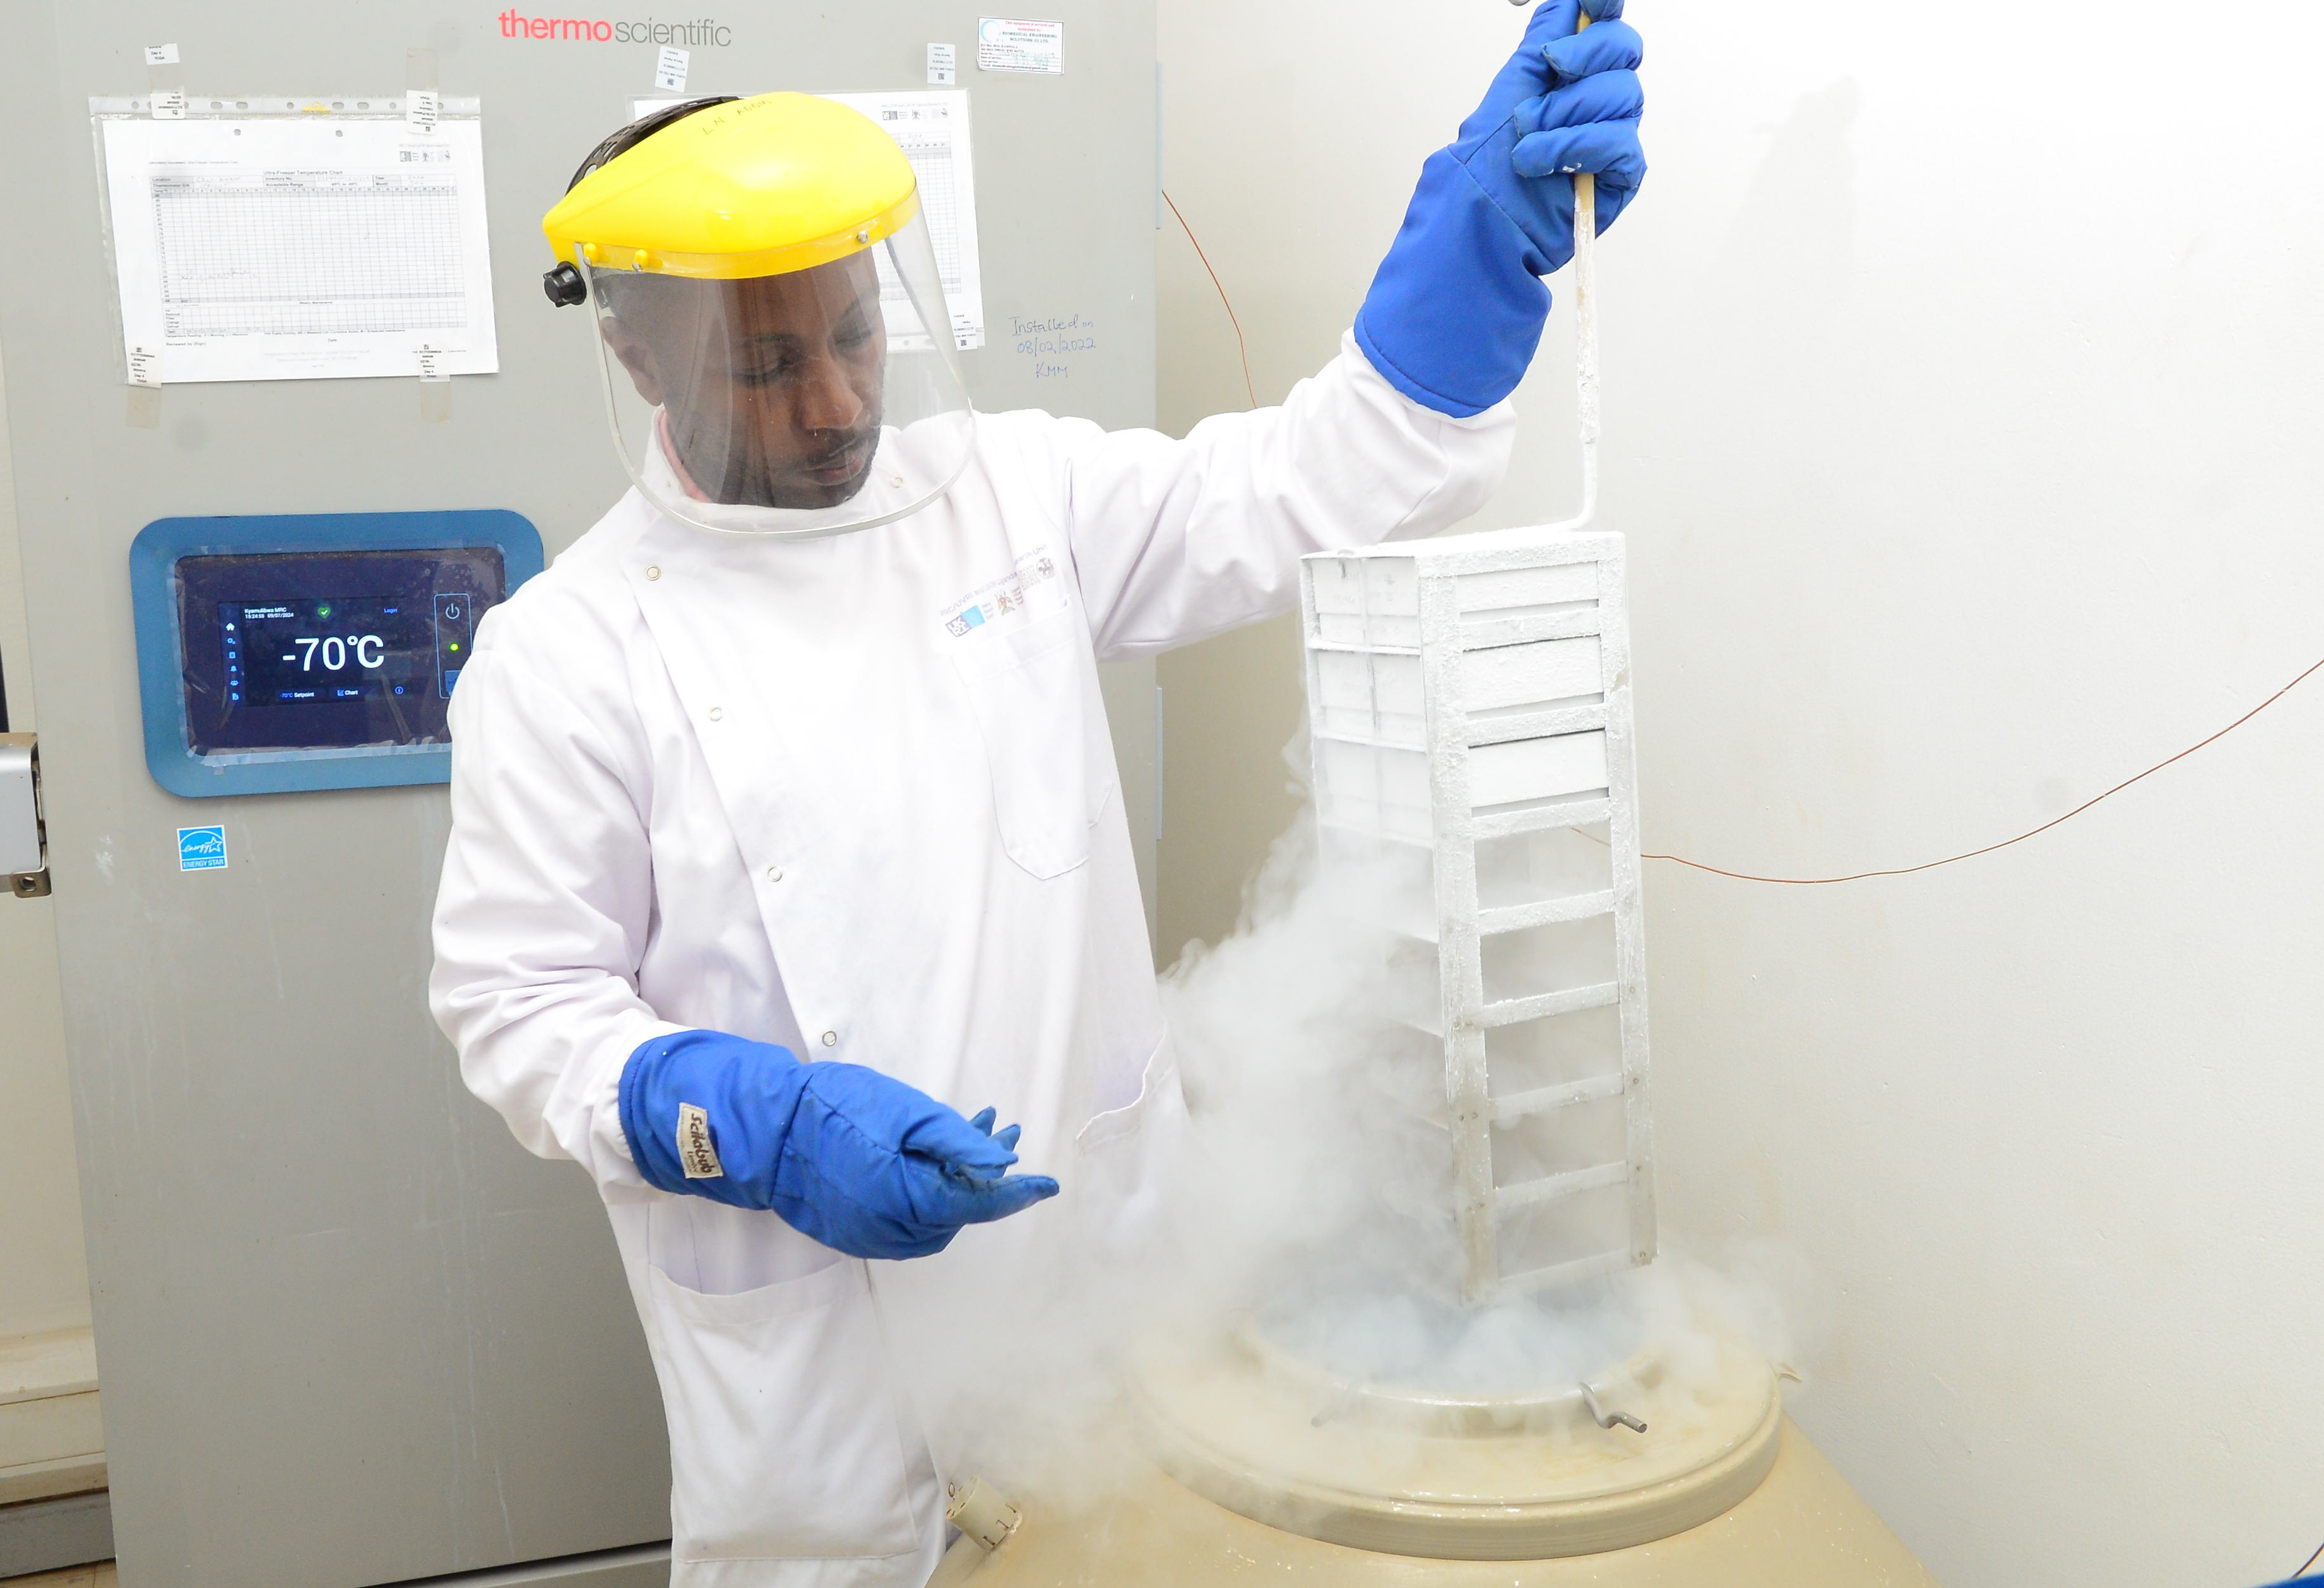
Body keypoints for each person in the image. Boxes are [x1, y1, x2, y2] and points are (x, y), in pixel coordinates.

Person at [429, 4, 1645, 1583]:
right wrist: (752, 1120)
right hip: (828, 1395)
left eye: (855, 336)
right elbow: (515, 1004)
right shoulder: (569, 650)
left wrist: (1483, 252)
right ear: (635, 349)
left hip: (1110, 1295)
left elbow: (1311, 484)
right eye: (766, 364)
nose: (833, 406)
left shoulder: (1010, 495)